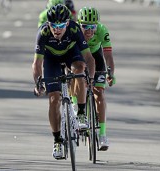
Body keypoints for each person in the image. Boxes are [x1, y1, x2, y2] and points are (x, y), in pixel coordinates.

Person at [32, 4, 95, 159]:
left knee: (79, 70)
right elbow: (37, 63)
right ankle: (57, 140)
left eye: (61, 25)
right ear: (49, 24)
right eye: (54, 25)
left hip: (70, 54)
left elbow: (88, 57)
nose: (57, 29)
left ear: (67, 23)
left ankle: (80, 113)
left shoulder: (74, 29)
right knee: (54, 99)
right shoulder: (43, 32)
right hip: (51, 59)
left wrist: (91, 78)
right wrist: (38, 83)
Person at [77, 7, 116, 151]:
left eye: (92, 26)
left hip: (96, 56)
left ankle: (102, 134)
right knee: (75, 80)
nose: (89, 31)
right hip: (78, 57)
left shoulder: (102, 30)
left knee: (99, 93)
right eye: (85, 26)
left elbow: (108, 56)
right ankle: (77, 111)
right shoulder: (74, 31)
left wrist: (110, 73)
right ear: (79, 24)